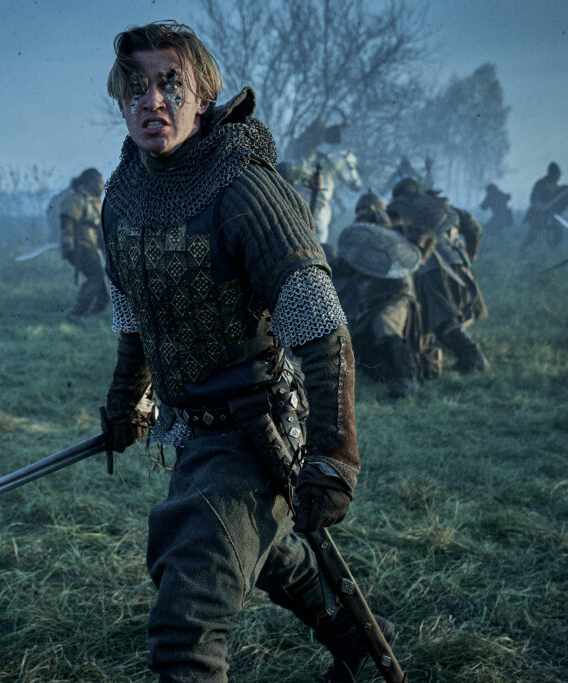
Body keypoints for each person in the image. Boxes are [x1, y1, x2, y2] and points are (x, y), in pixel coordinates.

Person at [99, 21, 392, 682]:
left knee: (188, 617)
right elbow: (135, 315)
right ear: (121, 101)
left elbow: (323, 329)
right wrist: (127, 397)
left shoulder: (245, 190)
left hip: (256, 431)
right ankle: (358, 645)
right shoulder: (122, 200)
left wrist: (335, 456)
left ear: (203, 96)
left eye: (170, 83)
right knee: (261, 553)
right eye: (136, 87)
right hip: (194, 432)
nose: (152, 100)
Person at [328, 191, 431, 402]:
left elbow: (425, 238)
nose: (362, 213)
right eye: (359, 210)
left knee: (385, 324)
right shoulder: (359, 245)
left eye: (367, 209)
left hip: (397, 296)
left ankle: (404, 384)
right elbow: (344, 267)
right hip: (369, 302)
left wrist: (389, 229)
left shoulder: (399, 233)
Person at [388, 177, 489, 373]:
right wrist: (470, 254)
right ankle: (465, 355)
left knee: (440, 318)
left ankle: (473, 355)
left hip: (430, 266)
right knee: (454, 313)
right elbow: (474, 228)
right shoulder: (442, 203)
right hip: (459, 262)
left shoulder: (398, 206)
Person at [56, 168, 109, 325]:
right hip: (79, 246)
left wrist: (107, 251)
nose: (102, 186)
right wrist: (67, 238)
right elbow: (68, 220)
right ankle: (75, 313)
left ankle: (97, 309)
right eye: (99, 182)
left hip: (91, 247)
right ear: (89, 182)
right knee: (96, 276)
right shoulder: (76, 199)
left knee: (99, 278)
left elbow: (99, 230)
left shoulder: (95, 203)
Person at [521, 161, 568, 252]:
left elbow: (556, 201)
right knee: (533, 235)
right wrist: (542, 206)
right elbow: (534, 199)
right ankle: (522, 250)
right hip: (537, 214)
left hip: (550, 214)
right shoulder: (541, 184)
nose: (559, 177)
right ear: (553, 174)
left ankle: (553, 251)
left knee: (557, 231)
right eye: (557, 174)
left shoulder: (555, 186)